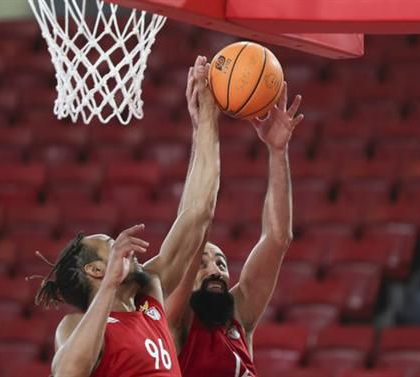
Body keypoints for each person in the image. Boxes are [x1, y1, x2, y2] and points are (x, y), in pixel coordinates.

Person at [33, 55, 221, 377]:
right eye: (111, 245)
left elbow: (198, 213)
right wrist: (110, 286)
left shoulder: (149, 295)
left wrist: (206, 121)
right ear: (95, 269)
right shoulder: (75, 325)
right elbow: (66, 372)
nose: (125, 248)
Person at [166, 82, 303, 377]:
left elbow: (278, 239)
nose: (215, 270)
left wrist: (278, 152)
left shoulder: (237, 313)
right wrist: (205, 125)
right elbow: (193, 225)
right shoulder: (175, 323)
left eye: (221, 263)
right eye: (202, 265)